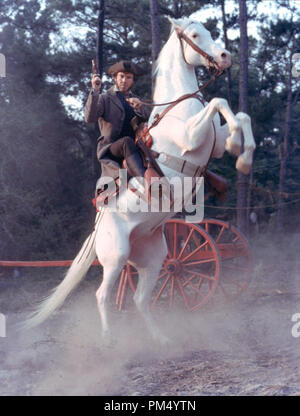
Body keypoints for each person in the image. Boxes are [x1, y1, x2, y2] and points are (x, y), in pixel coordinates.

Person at [85, 60, 155, 195]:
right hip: (111, 149)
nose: (124, 80)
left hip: (134, 149)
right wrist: (95, 91)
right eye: (121, 76)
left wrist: (141, 107)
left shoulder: (136, 99)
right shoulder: (104, 97)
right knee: (126, 141)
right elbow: (90, 118)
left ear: (133, 80)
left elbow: (150, 122)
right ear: (115, 78)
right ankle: (145, 182)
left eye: (128, 77)